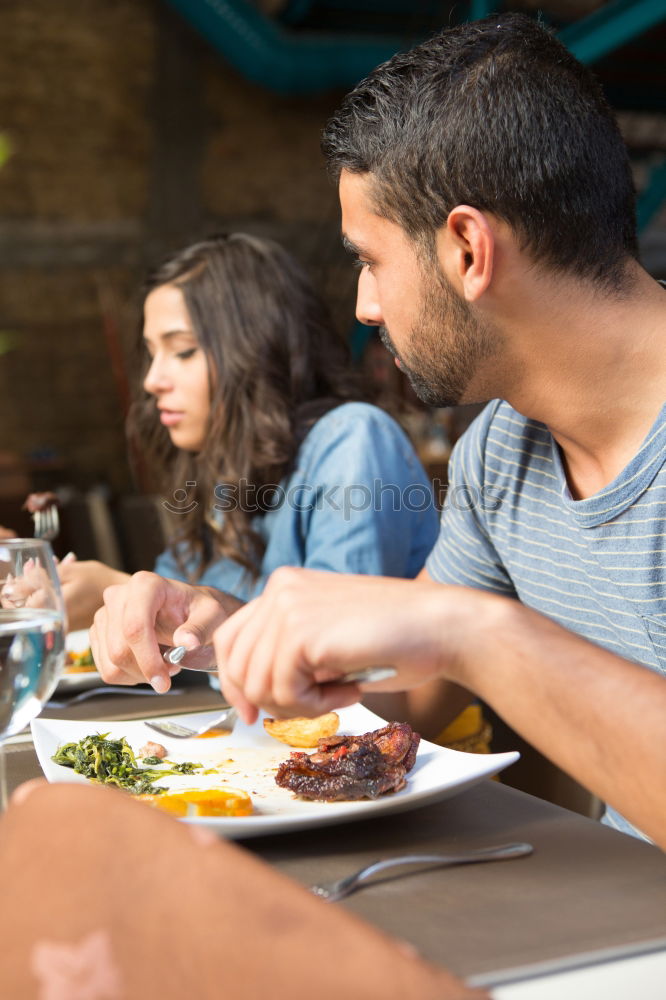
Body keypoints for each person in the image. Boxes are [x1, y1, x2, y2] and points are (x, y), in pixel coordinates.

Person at [90, 15, 666, 848]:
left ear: (468, 249)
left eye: (370, 259)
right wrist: (225, 632)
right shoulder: (500, 454)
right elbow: (400, 703)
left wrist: (480, 636)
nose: (364, 306)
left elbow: (461, 641)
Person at [64, 232, 438, 640]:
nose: (153, 381)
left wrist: (111, 587)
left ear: (256, 352)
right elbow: (184, 604)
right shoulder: (229, 467)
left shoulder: (351, 440)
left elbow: (334, 640)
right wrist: (121, 596)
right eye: (152, 354)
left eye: (183, 350)